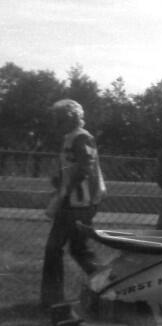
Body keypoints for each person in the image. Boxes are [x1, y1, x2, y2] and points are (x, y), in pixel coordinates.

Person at [40, 99, 106, 309]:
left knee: (54, 248)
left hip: (77, 202)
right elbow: (71, 167)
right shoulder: (72, 137)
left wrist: (64, 191)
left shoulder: (81, 137)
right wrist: (58, 180)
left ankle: (52, 299)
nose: (55, 122)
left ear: (70, 117)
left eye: (58, 118)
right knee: (79, 249)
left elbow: (84, 167)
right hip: (76, 201)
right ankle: (111, 286)